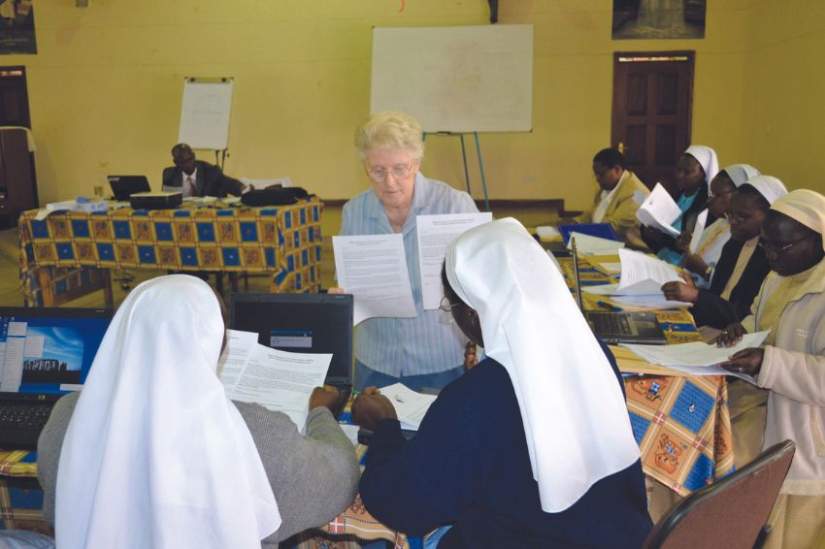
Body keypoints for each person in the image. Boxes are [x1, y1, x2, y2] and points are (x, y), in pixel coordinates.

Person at [352, 218, 651, 548]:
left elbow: (406, 505)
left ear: (473, 313)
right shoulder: (597, 356)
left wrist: (385, 427)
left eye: (450, 308)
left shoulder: (474, 398)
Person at [36, 275, 359, 549]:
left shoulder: (68, 417)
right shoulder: (256, 430)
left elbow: (57, 508)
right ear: (217, 344)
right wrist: (321, 412)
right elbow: (338, 479)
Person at [339, 111, 478, 391]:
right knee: (373, 433)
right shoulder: (354, 212)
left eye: (400, 169)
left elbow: (483, 282)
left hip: (439, 359)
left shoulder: (453, 206)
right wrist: (342, 296)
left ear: (416, 164)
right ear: (366, 167)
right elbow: (352, 280)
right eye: (378, 171)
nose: (389, 182)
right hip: (376, 360)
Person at [718, 190, 825, 548]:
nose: (772, 256)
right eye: (766, 246)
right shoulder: (778, 275)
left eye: (782, 247)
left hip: (808, 430)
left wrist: (769, 361)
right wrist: (743, 333)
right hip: (767, 405)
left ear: (818, 240)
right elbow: (763, 323)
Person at [662, 175, 786, 329]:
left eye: (742, 216)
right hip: (712, 324)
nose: (732, 222)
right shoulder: (734, 244)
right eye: (731, 214)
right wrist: (692, 288)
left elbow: (748, 316)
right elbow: (718, 295)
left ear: (770, 215)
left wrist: (696, 296)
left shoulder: (772, 257)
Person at [681, 164, 760, 285]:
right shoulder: (721, 221)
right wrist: (690, 244)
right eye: (711, 195)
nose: (710, 201)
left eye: (718, 195)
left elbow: (731, 284)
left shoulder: (743, 232)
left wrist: (703, 270)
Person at [641, 145, 718, 264]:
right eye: (679, 170)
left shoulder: (707, 205)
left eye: (687, 172)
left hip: (684, 265)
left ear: (703, 173)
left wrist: (662, 239)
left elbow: (695, 246)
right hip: (662, 257)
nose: (679, 175)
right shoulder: (678, 194)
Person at [590, 147, 650, 248]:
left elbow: (612, 229)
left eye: (601, 174)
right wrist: (572, 223)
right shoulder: (606, 187)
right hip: (607, 246)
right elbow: (591, 216)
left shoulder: (636, 194)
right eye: (596, 174)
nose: (597, 179)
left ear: (617, 170)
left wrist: (577, 230)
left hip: (632, 252)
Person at [162, 143, 246, 197]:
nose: (187, 164)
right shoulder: (169, 175)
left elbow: (230, 184)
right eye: (182, 162)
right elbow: (167, 199)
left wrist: (244, 190)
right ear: (175, 162)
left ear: (194, 156)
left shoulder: (210, 171)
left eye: (189, 159)